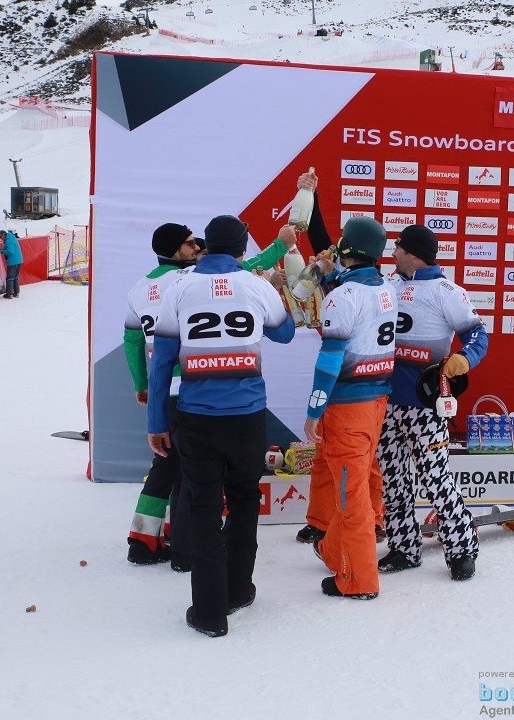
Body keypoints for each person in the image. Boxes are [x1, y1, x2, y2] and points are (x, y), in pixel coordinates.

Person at [147, 214, 296, 638]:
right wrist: (278, 293)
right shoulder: (256, 285)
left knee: (204, 506)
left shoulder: (179, 287)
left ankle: (210, 612)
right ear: (243, 248)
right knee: (247, 498)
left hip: (196, 416)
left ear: (206, 246)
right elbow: (284, 336)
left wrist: (157, 421)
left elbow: (161, 362)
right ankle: (238, 590)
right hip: (247, 416)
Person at [377, 224, 489, 581]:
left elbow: (477, 333)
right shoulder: (389, 285)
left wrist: (466, 358)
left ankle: (462, 549)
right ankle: (403, 548)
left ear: (412, 253)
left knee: (436, 479)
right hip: (385, 400)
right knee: (394, 480)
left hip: (426, 403)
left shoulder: (446, 291)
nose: (392, 253)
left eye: (397, 248)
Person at [293, 171, 387, 546]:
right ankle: (320, 520)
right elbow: (324, 244)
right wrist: (311, 197)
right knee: (328, 457)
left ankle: (370, 525)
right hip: (357, 392)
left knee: (361, 464)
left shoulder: (352, 292)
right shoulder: (370, 282)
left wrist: (313, 408)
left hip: (352, 392)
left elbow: (330, 358)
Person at [307, 216, 397, 600]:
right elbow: (355, 304)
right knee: (356, 484)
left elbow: (329, 362)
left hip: (346, 410)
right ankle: (332, 552)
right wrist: (330, 277)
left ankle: (358, 580)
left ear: (346, 248)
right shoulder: (387, 288)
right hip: (375, 403)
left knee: (351, 496)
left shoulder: (342, 297)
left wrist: (313, 411)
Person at [0, 230, 23, 298]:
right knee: (15, 277)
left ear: (3, 235)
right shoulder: (11, 238)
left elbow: (10, 251)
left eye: (0, 237)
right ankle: (16, 292)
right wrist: (0, 250)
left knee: (10, 278)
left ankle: (9, 293)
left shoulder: (8, 240)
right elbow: (8, 248)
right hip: (19, 260)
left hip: (12, 261)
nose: (0, 238)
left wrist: (1, 252)